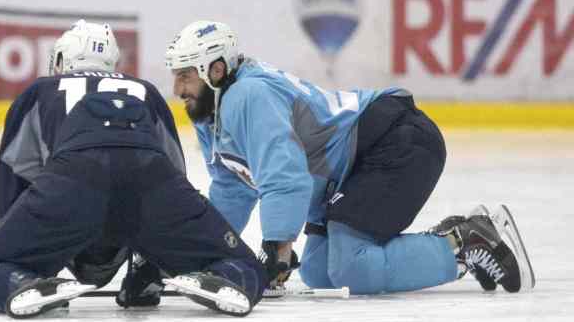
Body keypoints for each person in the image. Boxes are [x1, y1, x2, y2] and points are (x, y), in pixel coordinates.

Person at [164, 20, 535, 295]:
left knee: (350, 266)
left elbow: (285, 175)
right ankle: (451, 243)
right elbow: (233, 188)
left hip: (396, 141)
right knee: (318, 271)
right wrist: (206, 246)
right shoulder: (213, 111)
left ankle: (467, 240)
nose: (177, 88)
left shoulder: (248, 95)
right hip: (359, 162)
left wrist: (277, 247)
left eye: (184, 76)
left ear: (215, 70)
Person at [0, 20, 267, 318]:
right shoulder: (145, 90)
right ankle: (231, 278)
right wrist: (153, 261)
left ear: (62, 59)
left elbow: (13, 177)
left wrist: (24, 249)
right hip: (151, 185)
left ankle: (19, 283)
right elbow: (174, 173)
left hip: (72, 183)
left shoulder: (40, 90)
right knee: (245, 265)